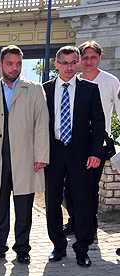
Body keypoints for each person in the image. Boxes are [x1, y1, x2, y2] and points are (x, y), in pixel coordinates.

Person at [0, 45, 50, 264]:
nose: (14, 68)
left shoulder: (35, 89)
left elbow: (41, 124)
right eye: (9, 64)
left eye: (18, 64)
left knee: (24, 206)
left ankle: (22, 248)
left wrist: (41, 155)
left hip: (25, 159)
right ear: (0, 64)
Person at [42, 46, 105, 267]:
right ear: (56, 64)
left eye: (73, 62)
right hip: (53, 152)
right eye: (64, 63)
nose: (69, 67)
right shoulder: (45, 90)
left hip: (81, 153)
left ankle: (82, 249)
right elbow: (38, 125)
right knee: (52, 201)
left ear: (78, 63)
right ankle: (58, 246)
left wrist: (96, 152)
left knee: (82, 201)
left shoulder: (90, 89)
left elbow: (99, 123)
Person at [63, 41, 119, 237]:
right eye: (84, 58)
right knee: (68, 186)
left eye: (93, 57)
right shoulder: (72, 81)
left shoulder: (111, 81)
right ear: (79, 61)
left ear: (99, 58)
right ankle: (73, 220)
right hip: (73, 143)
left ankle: (90, 225)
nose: (88, 61)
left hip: (97, 144)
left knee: (88, 188)